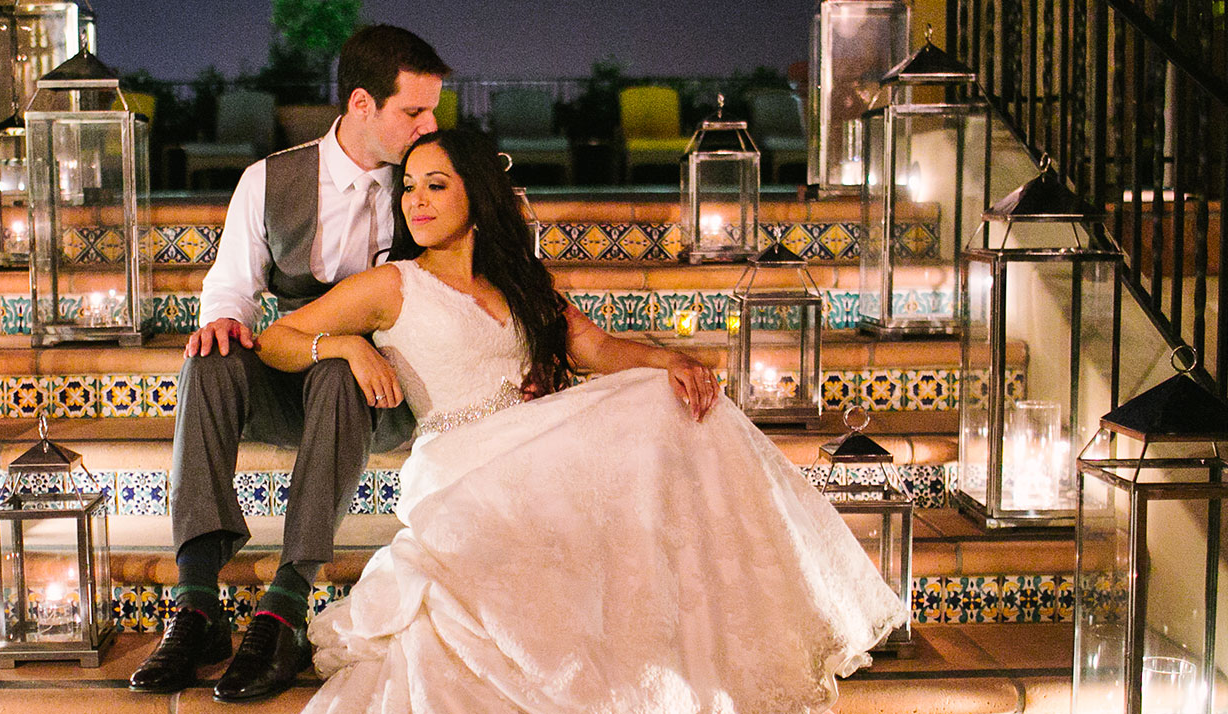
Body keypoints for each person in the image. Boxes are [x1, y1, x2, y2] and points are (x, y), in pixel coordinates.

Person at [255, 129, 910, 713]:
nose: (415, 201)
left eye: (435, 185)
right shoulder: (393, 285)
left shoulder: (519, 280)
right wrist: (345, 345)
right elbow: (277, 337)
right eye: (408, 188)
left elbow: (593, 348)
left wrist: (669, 360)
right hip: (459, 461)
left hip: (536, 440)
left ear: (478, 196)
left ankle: (743, 622)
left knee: (668, 398)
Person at [126, 26, 450, 704]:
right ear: (363, 104)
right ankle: (196, 604)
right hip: (294, 365)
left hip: (382, 391)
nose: (431, 124)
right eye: (414, 111)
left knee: (340, 372)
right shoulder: (268, 180)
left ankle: (284, 602)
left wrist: (355, 344)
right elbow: (231, 287)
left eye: (433, 110)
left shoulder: (426, 185)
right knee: (207, 361)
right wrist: (225, 322)